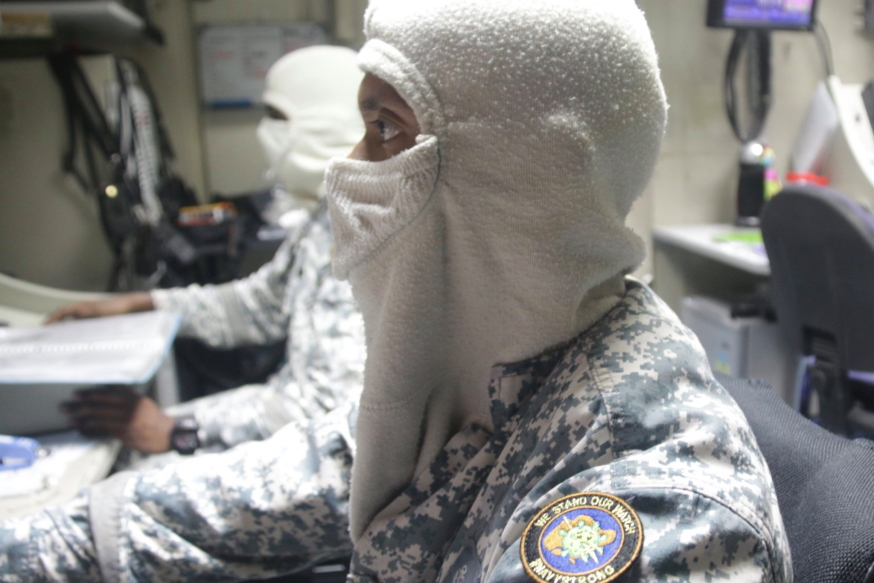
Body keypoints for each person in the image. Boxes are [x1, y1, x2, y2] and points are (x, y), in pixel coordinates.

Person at [1, 2, 793, 582]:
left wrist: (169, 429)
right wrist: (47, 541)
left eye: (384, 128)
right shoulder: (480, 377)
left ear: (516, 176)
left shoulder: (658, 517)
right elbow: (245, 496)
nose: (350, 168)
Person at [46, 45, 367, 463]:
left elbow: (333, 409)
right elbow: (258, 305)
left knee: (120, 471)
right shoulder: (327, 214)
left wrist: (182, 430)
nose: (263, 132)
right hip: (286, 419)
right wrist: (146, 303)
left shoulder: (366, 228)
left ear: (327, 121)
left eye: (276, 117)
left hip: (318, 454)